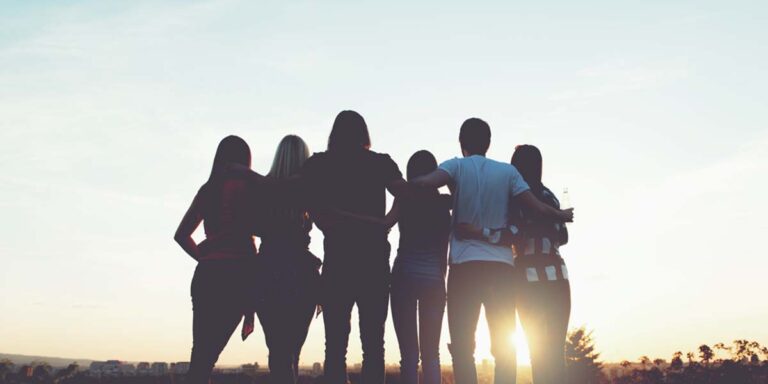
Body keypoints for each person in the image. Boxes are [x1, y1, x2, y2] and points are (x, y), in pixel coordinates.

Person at [411, 119, 573, 384]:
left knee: (464, 347)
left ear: (461, 143)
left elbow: (427, 183)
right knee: (519, 350)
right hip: (522, 273)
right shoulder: (532, 188)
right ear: (489, 143)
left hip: (482, 270)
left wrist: (475, 229)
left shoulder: (464, 168)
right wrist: (559, 216)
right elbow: (561, 234)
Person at [300, 110, 407, 384]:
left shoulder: (319, 164)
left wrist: (325, 221)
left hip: (338, 260)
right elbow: (405, 194)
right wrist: (385, 223)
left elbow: (304, 198)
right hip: (374, 262)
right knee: (374, 345)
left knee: (335, 345)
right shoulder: (380, 163)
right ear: (364, 134)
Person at [174, 135, 259, 384]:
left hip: (208, 276)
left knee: (201, 355)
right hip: (238, 276)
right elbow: (255, 242)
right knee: (207, 357)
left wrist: (206, 257)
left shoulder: (208, 190)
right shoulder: (251, 187)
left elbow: (181, 235)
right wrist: (250, 310)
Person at [254, 135, 322, 384]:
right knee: (292, 352)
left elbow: (251, 226)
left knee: (278, 351)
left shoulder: (261, 188)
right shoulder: (310, 190)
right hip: (302, 275)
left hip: (268, 272)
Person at [389, 150, 452, 384]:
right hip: (434, 281)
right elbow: (444, 253)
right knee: (431, 354)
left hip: (403, 277)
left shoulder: (404, 198)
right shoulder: (445, 203)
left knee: (409, 355)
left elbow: (386, 222)